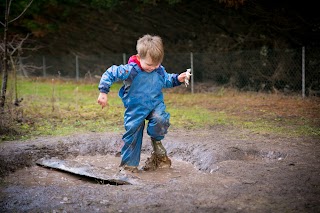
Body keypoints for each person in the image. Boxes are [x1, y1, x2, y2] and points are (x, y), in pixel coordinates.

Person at [97, 34, 190, 172]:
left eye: (157, 64)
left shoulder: (158, 70)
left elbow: (166, 80)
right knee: (132, 135)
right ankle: (130, 166)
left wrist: (178, 78)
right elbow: (110, 73)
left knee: (161, 119)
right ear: (139, 58)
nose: (153, 68)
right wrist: (103, 92)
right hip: (135, 109)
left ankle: (156, 142)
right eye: (149, 64)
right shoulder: (130, 70)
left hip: (155, 105)